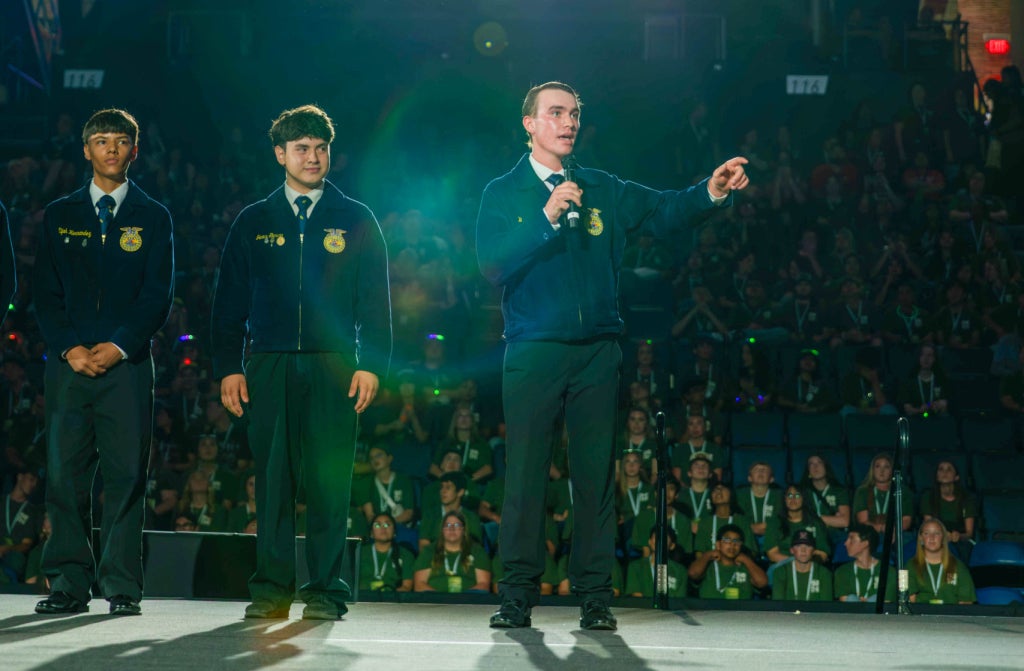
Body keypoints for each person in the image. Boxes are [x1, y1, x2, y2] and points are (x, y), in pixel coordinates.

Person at [478, 80, 748, 631]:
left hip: (598, 351)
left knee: (596, 476)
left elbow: (667, 212)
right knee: (526, 476)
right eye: (555, 113)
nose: (568, 122)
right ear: (529, 124)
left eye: (574, 113)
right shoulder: (503, 193)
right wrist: (546, 216)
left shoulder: (602, 187)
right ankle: (517, 596)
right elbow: (491, 264)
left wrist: (712, 191)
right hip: (532, 351)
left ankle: (595, 596)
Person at [210, 104, 392, 620]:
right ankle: (270, 590)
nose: (312, 157)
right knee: (273, 482)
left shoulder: (356, 217)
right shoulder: (254, 219)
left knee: (330, 482)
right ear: (280, 155)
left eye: (320, 148)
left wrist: (372, 362)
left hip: (336, 366)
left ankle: (326, 592)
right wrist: (228, 365)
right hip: (267, 364)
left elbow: (375, 301)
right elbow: (228, 304)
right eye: (301, 149)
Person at [33, 109, 174, 616]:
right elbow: (44, 295)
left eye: (121, 141)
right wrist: (70, 348)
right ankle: (69, 585)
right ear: (86, 151)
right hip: (68, 366)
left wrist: (117, 346)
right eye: (100, 141)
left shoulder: (154, 216)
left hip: (127, 368)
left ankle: (121, 588)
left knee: (125, 477)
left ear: (135, 150)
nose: (111, 149)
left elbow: (157, 297)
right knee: (64, 478)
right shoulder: (58, 214)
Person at [413, 510, 491, 593]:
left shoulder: (477, 551)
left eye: (457, 525)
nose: (452, 529)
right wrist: (441, 600)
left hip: (467, 602)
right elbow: (419, 585)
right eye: (447, 525)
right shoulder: (429, 551)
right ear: (442, 530)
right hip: (435, 603)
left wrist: (462, 600)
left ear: (464, 530)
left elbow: (483, 585)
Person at [688, 523, 768, 600]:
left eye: (736, 541)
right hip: (710, 612)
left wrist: (746, 560)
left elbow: (762, 583)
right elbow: (693, 574)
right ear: (718, 544)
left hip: (739, 612)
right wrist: (708, 555)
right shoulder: (708, 566)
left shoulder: (745, 567)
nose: (732, 544)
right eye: (727, 540)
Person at [908, 519, 977, 604]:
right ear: (921, 538)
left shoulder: (958, 567)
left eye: (937, 533)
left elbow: (966, 603)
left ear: (944, 538)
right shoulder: (911, 566)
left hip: (951, 616)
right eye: (926, 533)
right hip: (921, 615)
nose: (932, 537)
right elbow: (909, 602)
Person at [834, 524, 896, 603]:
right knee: (851, 599)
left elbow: (886, 604)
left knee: (876, 599)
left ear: (865, 543)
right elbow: (845, 603)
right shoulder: (842, 572)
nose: (845, 543)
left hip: (878, 615)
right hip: (853, 614)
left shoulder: (888, 572)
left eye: (851, 539)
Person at [772, 529, 834, 602]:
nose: (803, 550)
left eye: (808, 546)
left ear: (814, 550)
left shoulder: (823, 573)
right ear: (791, 550)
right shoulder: (781, 572)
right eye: (798, 546)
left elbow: (826, 605)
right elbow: (778, 604)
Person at [358, 512, 414, 593]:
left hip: (392, 601)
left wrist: (387, 596)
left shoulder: (406, 555)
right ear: (371, 533)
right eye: (377, 525)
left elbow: (406, 587)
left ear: (394, 532)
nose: (383, 528)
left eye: (387, 525)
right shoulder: (359, 553)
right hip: (362, 600)